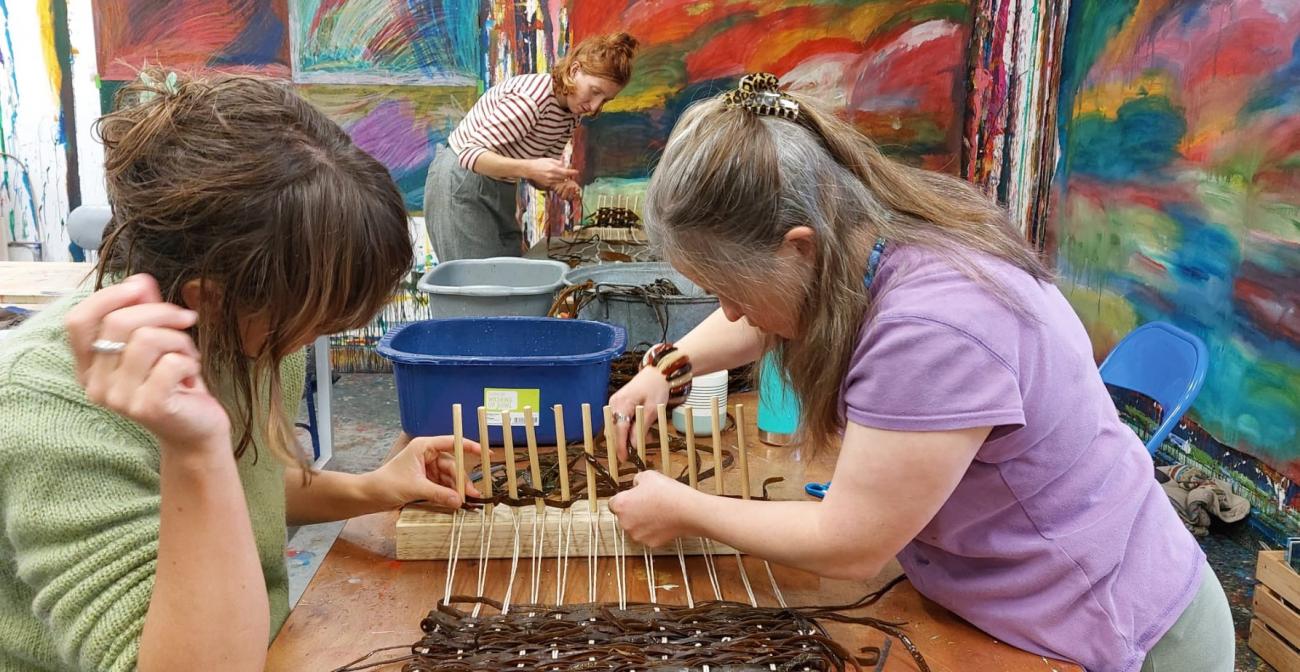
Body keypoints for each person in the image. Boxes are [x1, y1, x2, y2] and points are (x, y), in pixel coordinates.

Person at [606, 73, 1234, 672]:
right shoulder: (871, 236)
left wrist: (685, 509)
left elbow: (851, 543)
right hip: (1027, 606)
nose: (733, 311)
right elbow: (769, 310)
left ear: (799, 246)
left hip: (1121, 632)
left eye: (731, 288)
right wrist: (669, 367)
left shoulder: (932, 327)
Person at [0, 71, 477, 672]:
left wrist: (374, 487)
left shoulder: (243, 333)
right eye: (316, 317)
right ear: (212, 298)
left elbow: (252, 486)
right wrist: (193, 450)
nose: (318, 336)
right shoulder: (49, 410)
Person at [424, 32, 639, 262]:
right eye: (595, 91)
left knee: (507, 273)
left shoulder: (571, 114)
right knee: (477, 283)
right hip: (462, 181)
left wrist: (557, 182)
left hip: (500, 183)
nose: (595, 106)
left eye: (605, 100)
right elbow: (468, 155)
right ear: (575, 70)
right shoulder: (531, 100)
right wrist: (530, 169)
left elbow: (536, 172)